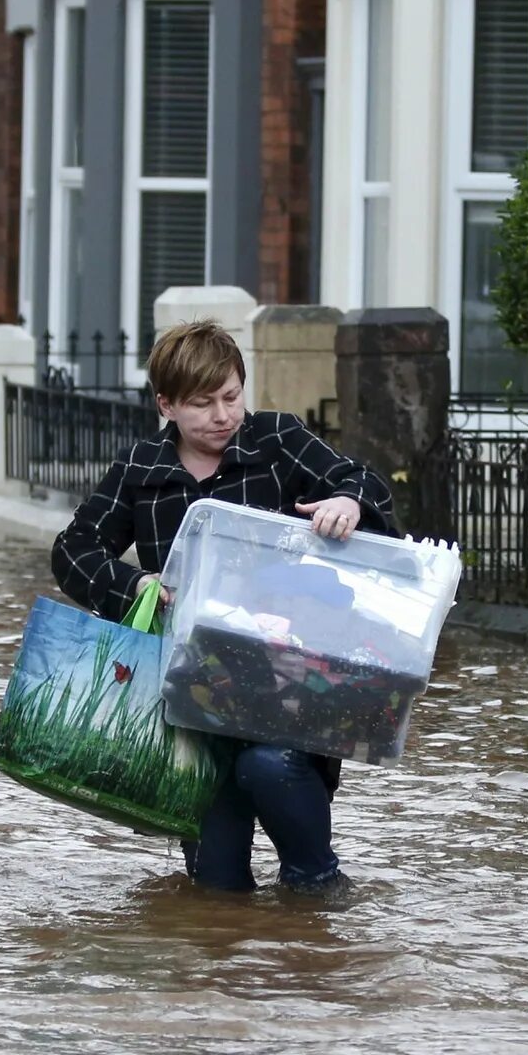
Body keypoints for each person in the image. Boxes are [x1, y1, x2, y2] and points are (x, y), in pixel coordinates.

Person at [50, 320, 393, 892]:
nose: (222, 415)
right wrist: (132, 586)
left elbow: (365, 482)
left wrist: (348, 502)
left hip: (289, 685)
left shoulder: (277, 441)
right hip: (192, 697)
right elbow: (73, 550)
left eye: (231, 396)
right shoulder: (141, 470)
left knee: (274, 773)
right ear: (166, 404)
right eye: (202, 403)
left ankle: (321, 913)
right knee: (216, 891)